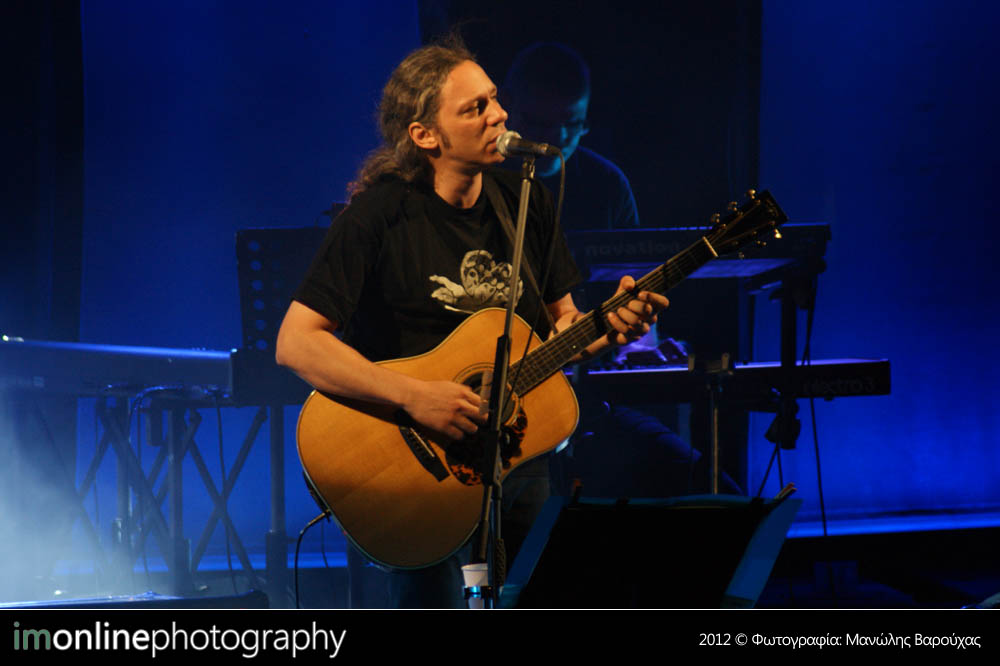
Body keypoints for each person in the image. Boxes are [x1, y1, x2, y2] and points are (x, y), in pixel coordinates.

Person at [275, 40, 667, 608]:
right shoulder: (379, 216)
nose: (499, 115)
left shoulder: (524, 201)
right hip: (413, 469)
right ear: (425, 135)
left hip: (515, 456)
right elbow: (296, 343)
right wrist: (416, 397)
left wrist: (608, 326)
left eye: (495, 99)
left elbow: (563, 328)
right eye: (475, 108)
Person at [501, 42, 638, 231]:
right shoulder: (476, 173)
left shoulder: (608, 183)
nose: (559, 137)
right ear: (506, 104)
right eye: (542, 122)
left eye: (573, 124)